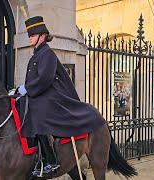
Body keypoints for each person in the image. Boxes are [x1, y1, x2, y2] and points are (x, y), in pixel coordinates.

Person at [17, 16, 105, 177]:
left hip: (53, 96)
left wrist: (27, 89)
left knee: (37, 111)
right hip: (40, 94)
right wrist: (19, 91)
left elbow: (44, 79)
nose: (29, 37)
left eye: (33, 34)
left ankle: (50, 160)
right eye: (29, 34)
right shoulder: (36, 55)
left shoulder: (47, 54)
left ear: (42, 36)